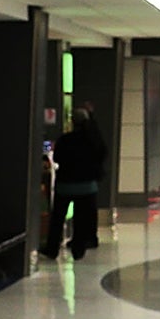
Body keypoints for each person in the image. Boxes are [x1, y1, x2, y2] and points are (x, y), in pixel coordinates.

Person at [43, 105, 106, 260]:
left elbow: (57, 158)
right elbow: (102, 153)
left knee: (58, 218)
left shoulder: (65, 140)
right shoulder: (93, 140)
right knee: (81, 219)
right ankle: (78, 249)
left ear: (72, 122)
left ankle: (52, 248)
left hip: (65, 185)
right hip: (87, 187)